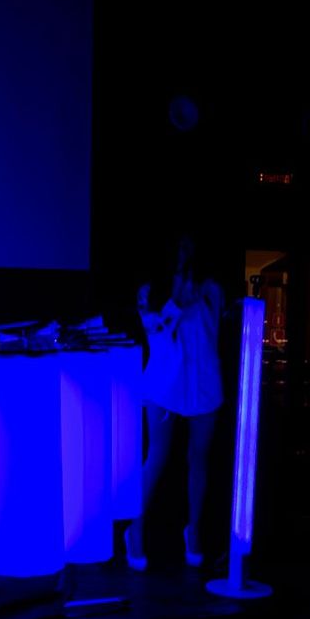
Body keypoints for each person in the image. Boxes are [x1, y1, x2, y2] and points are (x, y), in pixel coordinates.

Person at [125, 232, 225, 570]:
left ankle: (193, 529)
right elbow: (157, 337)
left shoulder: (211, 289)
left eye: (190, 247)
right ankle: (135, 528)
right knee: (157, 455)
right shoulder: (150, 291)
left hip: (204, 381)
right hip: (164, 382)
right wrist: (178, 303)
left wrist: (202, 300)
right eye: (180, 246)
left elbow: (214, 337)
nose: (185, 252)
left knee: (199, 457)